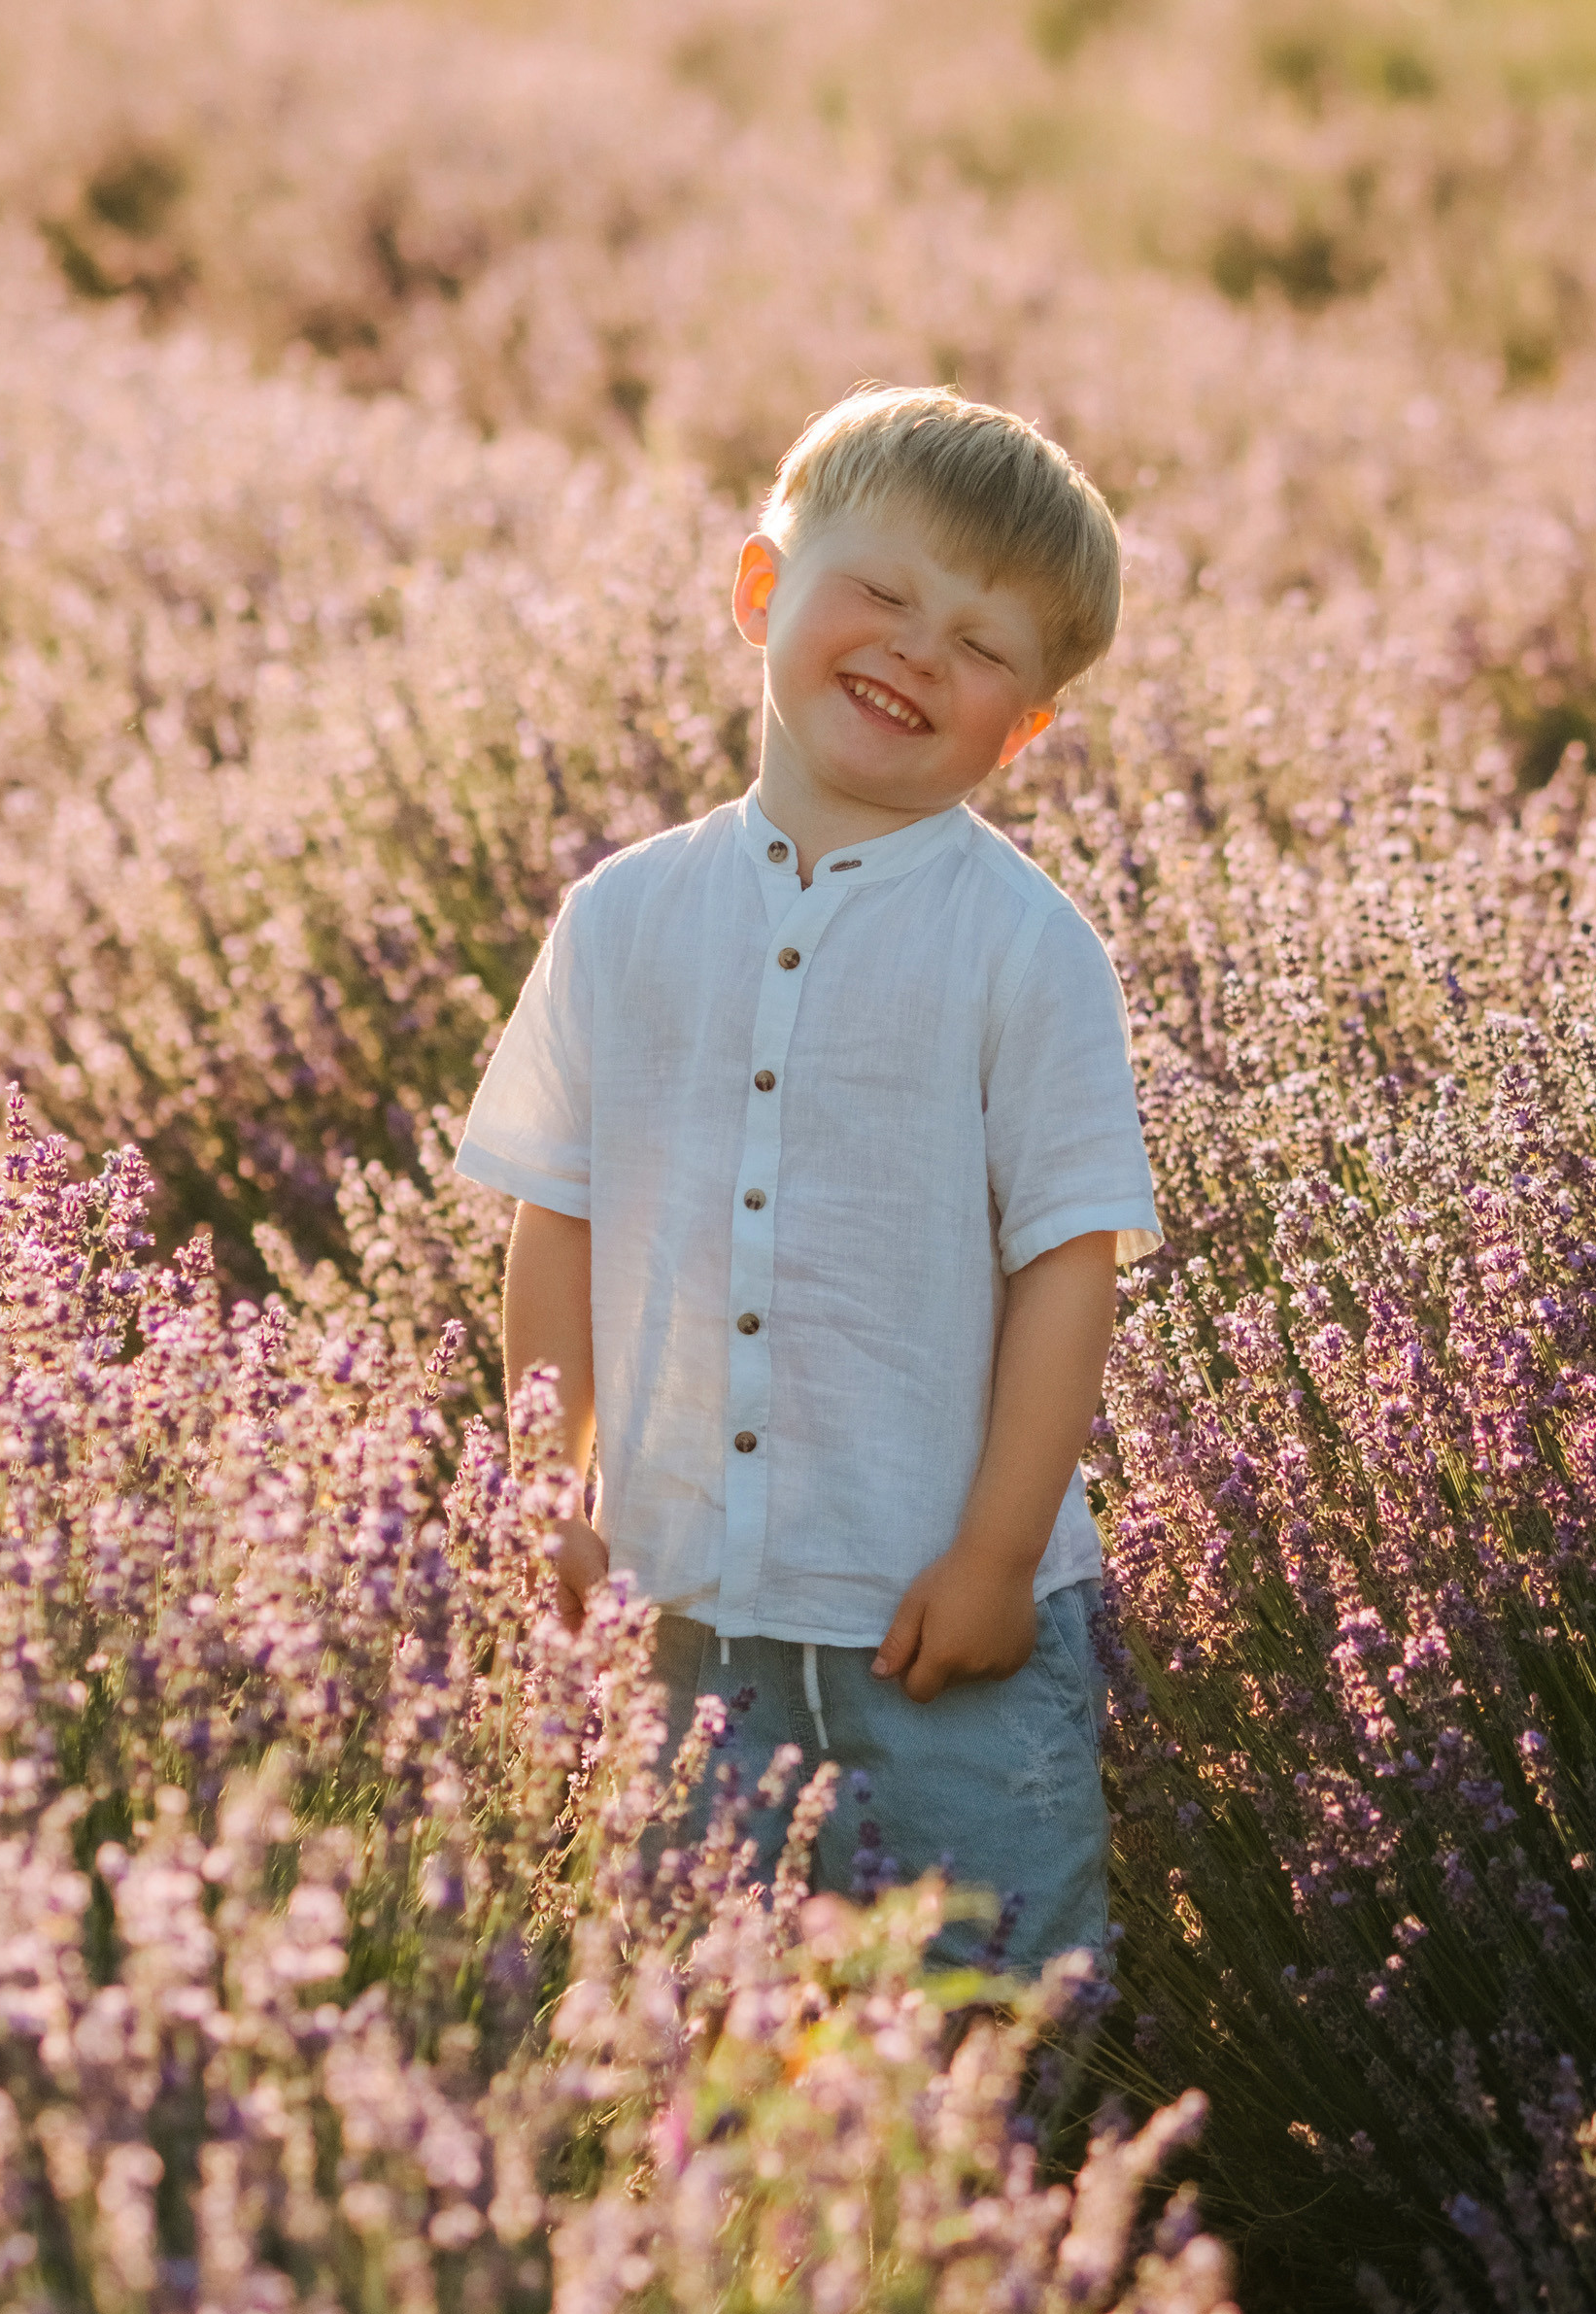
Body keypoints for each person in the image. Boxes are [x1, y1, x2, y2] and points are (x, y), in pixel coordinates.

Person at [455, 384, 1159, 1969]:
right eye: (886, 594)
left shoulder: (1028, 953)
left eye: (985, 647)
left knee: (989, 2010)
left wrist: (995, 1555)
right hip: (680, 1602)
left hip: (939, 1629)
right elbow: (553, 1218)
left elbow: (1070, 1266)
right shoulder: (623, 918)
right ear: (762, 589)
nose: (920, 651)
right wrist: (551, 1495)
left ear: (1027, 724)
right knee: (696, 2010)